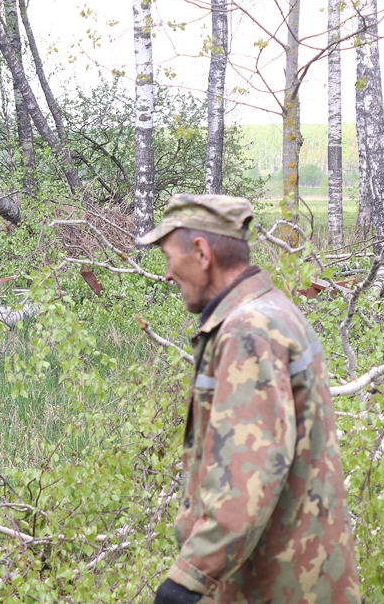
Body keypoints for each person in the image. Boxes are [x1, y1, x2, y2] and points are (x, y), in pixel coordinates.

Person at [139, 195, 359, 604]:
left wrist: (187, 581)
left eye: (168, 257)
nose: (167, 273)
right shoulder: (274, 309)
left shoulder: (247, 330)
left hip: (278, 587)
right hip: (303, 576)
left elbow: (249, 475)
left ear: (202, 253)